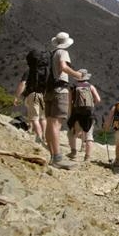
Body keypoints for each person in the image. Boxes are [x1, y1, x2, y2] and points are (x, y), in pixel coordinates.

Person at [44, 31, 84, 169]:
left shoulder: (51, 54)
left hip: (49, 90)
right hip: (60, 91)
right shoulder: (63, 53)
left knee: (49, 123)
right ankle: (57, 158)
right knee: (56, 124)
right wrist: (77, 75)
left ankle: (52, 154)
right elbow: (63, 67)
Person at [66, 69, 101, 163]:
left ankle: (73, 152)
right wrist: (91, 104)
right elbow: (98, 99)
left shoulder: (73, 87)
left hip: (76, 114)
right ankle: (87, 157)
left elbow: (69, 103)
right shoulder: (91, 87)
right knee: (89, 136)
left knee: (72, 133)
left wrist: (70, 115)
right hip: (89, 114)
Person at [13, 69, 46, 146]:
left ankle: (38, 136)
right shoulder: (45, 71)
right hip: (43, 95)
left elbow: (23, 84)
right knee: (42, 117)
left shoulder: (29, 71)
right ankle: (44, 134)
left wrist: (17, 96)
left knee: (33, 115)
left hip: (32, 95)